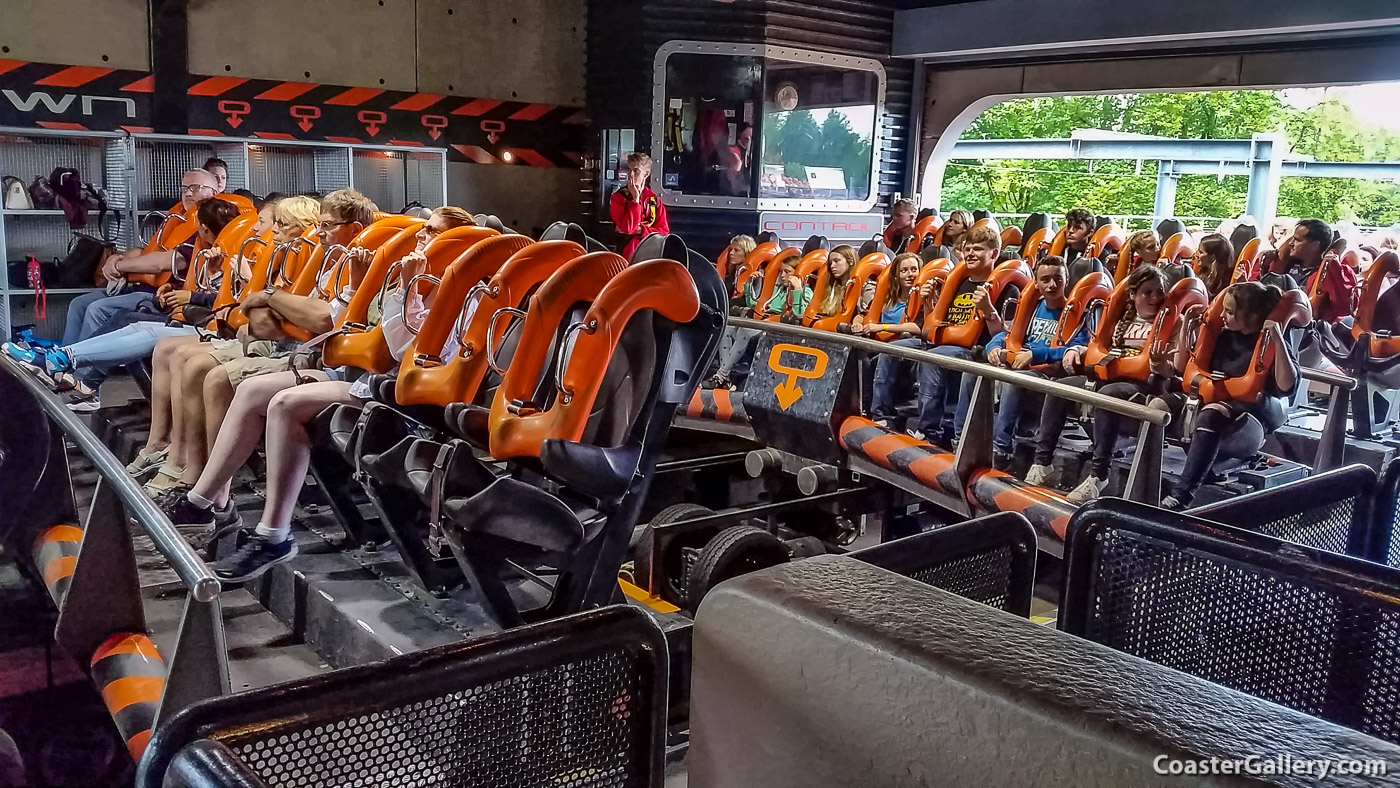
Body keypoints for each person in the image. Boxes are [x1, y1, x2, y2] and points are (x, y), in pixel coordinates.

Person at [165, 206, 478, 581]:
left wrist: (406, 292)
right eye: (424, 230)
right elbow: (353, 327)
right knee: (251, 389)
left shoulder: (468, 294)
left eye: (433, 233)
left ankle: (272, 535)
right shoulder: (410, 276)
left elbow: (401, 350)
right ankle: (201, 502)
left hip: (405, 399)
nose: (422, 237)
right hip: (370, 383)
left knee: (284, 403)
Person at [139, 191, 377, 499]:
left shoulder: (349, 260)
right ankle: (179, 460)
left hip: (317, 358)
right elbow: (259, 318)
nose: (263, 230)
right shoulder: (323, 260)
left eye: (327, 225)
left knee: (204, 369)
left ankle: (208, 491)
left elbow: (316, 320)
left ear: (354, 229)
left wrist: (269, 298)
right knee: (173, 350)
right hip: (296, 349)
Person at [127, 196, 321, 483]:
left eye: (273, 223)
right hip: (246, 335)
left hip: (281, 350)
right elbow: (250, 313)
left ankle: (202, 480)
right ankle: (169, 451)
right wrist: (231, 280)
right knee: (166, 348)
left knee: (191, 362)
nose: (260, 230)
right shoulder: (278, 258)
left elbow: (264, 323)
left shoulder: (305, 258)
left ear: (301, 227)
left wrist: (259, 296)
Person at [3, 198, 245, 410]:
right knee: (117, 317)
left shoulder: (244, 251)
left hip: (209, 324)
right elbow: (211, 290)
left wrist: (192, 297)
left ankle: (68, 371)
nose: (269, 230)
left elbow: (234, 302)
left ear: (204, 228)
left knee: (139, 326)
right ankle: (69, 371)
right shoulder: (209, 248)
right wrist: (174, 290)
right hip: (190, 311)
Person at [1027, 265, 1172, 500]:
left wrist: (1160, 363)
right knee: (1059, 387)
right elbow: (1098, 347)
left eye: (1159, 292)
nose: (1155, 298)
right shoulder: (1121, 318)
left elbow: (1174, 366)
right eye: (1148, 292)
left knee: (1108, 395)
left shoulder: (1171, 321)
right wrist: (1076, 350)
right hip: (1107, 374)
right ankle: (1042, 462)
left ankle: (1098, 475)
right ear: (1133, 295)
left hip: (1143, 384)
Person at [1162, 282, 1298, 509]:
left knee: (1211, 414)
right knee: (1160, 404)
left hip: (1248, 420)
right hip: (1211, 404)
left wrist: (1277, 338)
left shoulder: (1268, 344)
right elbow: (1182, 368)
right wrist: (1187, 324)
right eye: (1223, 309)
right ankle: (1144, 480)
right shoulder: (1223, 337)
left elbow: (1287, 387)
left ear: (1253, 316)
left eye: (1230, 312)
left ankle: (1182, 495)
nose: (1222, 315)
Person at [62, 168, 221, 346]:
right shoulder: (178, 217)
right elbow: (147, 252)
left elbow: (167, 261)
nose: (188, 193)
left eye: (196, 187)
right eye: (184, 188)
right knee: (79, 304)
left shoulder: (210, 224)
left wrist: (119, 267)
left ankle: (78, 364)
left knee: (97, 309)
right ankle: (62, 358)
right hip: (143, 286)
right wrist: (116, 258)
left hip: (163, 295)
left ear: (215, 192)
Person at [910, 224, 1020, 447]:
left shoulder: (1008, 288)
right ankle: (882, 415)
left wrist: (988, 309)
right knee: (898, 350)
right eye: (967, 248)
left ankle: (930, 430)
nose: (970, 253)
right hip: (947, 344)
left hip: (979, 350)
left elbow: (1004, 334)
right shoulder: (958, 282)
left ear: (994, 254)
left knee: (933, 358)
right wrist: (927, 302)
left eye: (978, 249)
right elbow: (931, 329)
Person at [983, 255, 1091, 469]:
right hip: (1021, 365)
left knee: (1014, 380)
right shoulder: (1030, 307)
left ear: (1066, 280)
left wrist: (1035, 354)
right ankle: (961, 437)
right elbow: (1009, 332)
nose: (1052, 285)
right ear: (1036, 282)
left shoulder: (1079, 314)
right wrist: (993, 347)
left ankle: (1000, 449)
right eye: (1045, 279)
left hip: (1049, 373)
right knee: (974, 373)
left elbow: (1076, 349)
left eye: (1057, 279)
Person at [706, 249, 810, 389]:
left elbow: (799, 315)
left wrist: (797, 289)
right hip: (764, 322)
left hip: (782, 327)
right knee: (727, 329)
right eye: (781, 272)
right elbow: (756, 306)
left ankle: (721, 375)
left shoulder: (806, 291)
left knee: (745, 332)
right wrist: (750, 285)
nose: (783, 275)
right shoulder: (778, 289)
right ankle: (724, 376)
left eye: (787, 272)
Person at [609, 152, 669, 258]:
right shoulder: (618, 198)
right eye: (628, 169)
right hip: (625, 257)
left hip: (650, 256)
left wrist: (641, 230)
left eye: (636, 171)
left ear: (646, 174)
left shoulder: (654, 201)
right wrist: (635, 200)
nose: (631, 174)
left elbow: (664, 232)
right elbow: (629, 228)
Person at [813, 245, 860, 319]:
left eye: (836, 261)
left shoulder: (860, 286)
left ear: (850, 261)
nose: (832, 266)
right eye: (830, 263)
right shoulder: (833, 286)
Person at [1190, 232, 1235, 298]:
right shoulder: (1203, 273)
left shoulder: (1225, 281)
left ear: (1212, 257)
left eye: (1201, 252)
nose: (1197, 255)